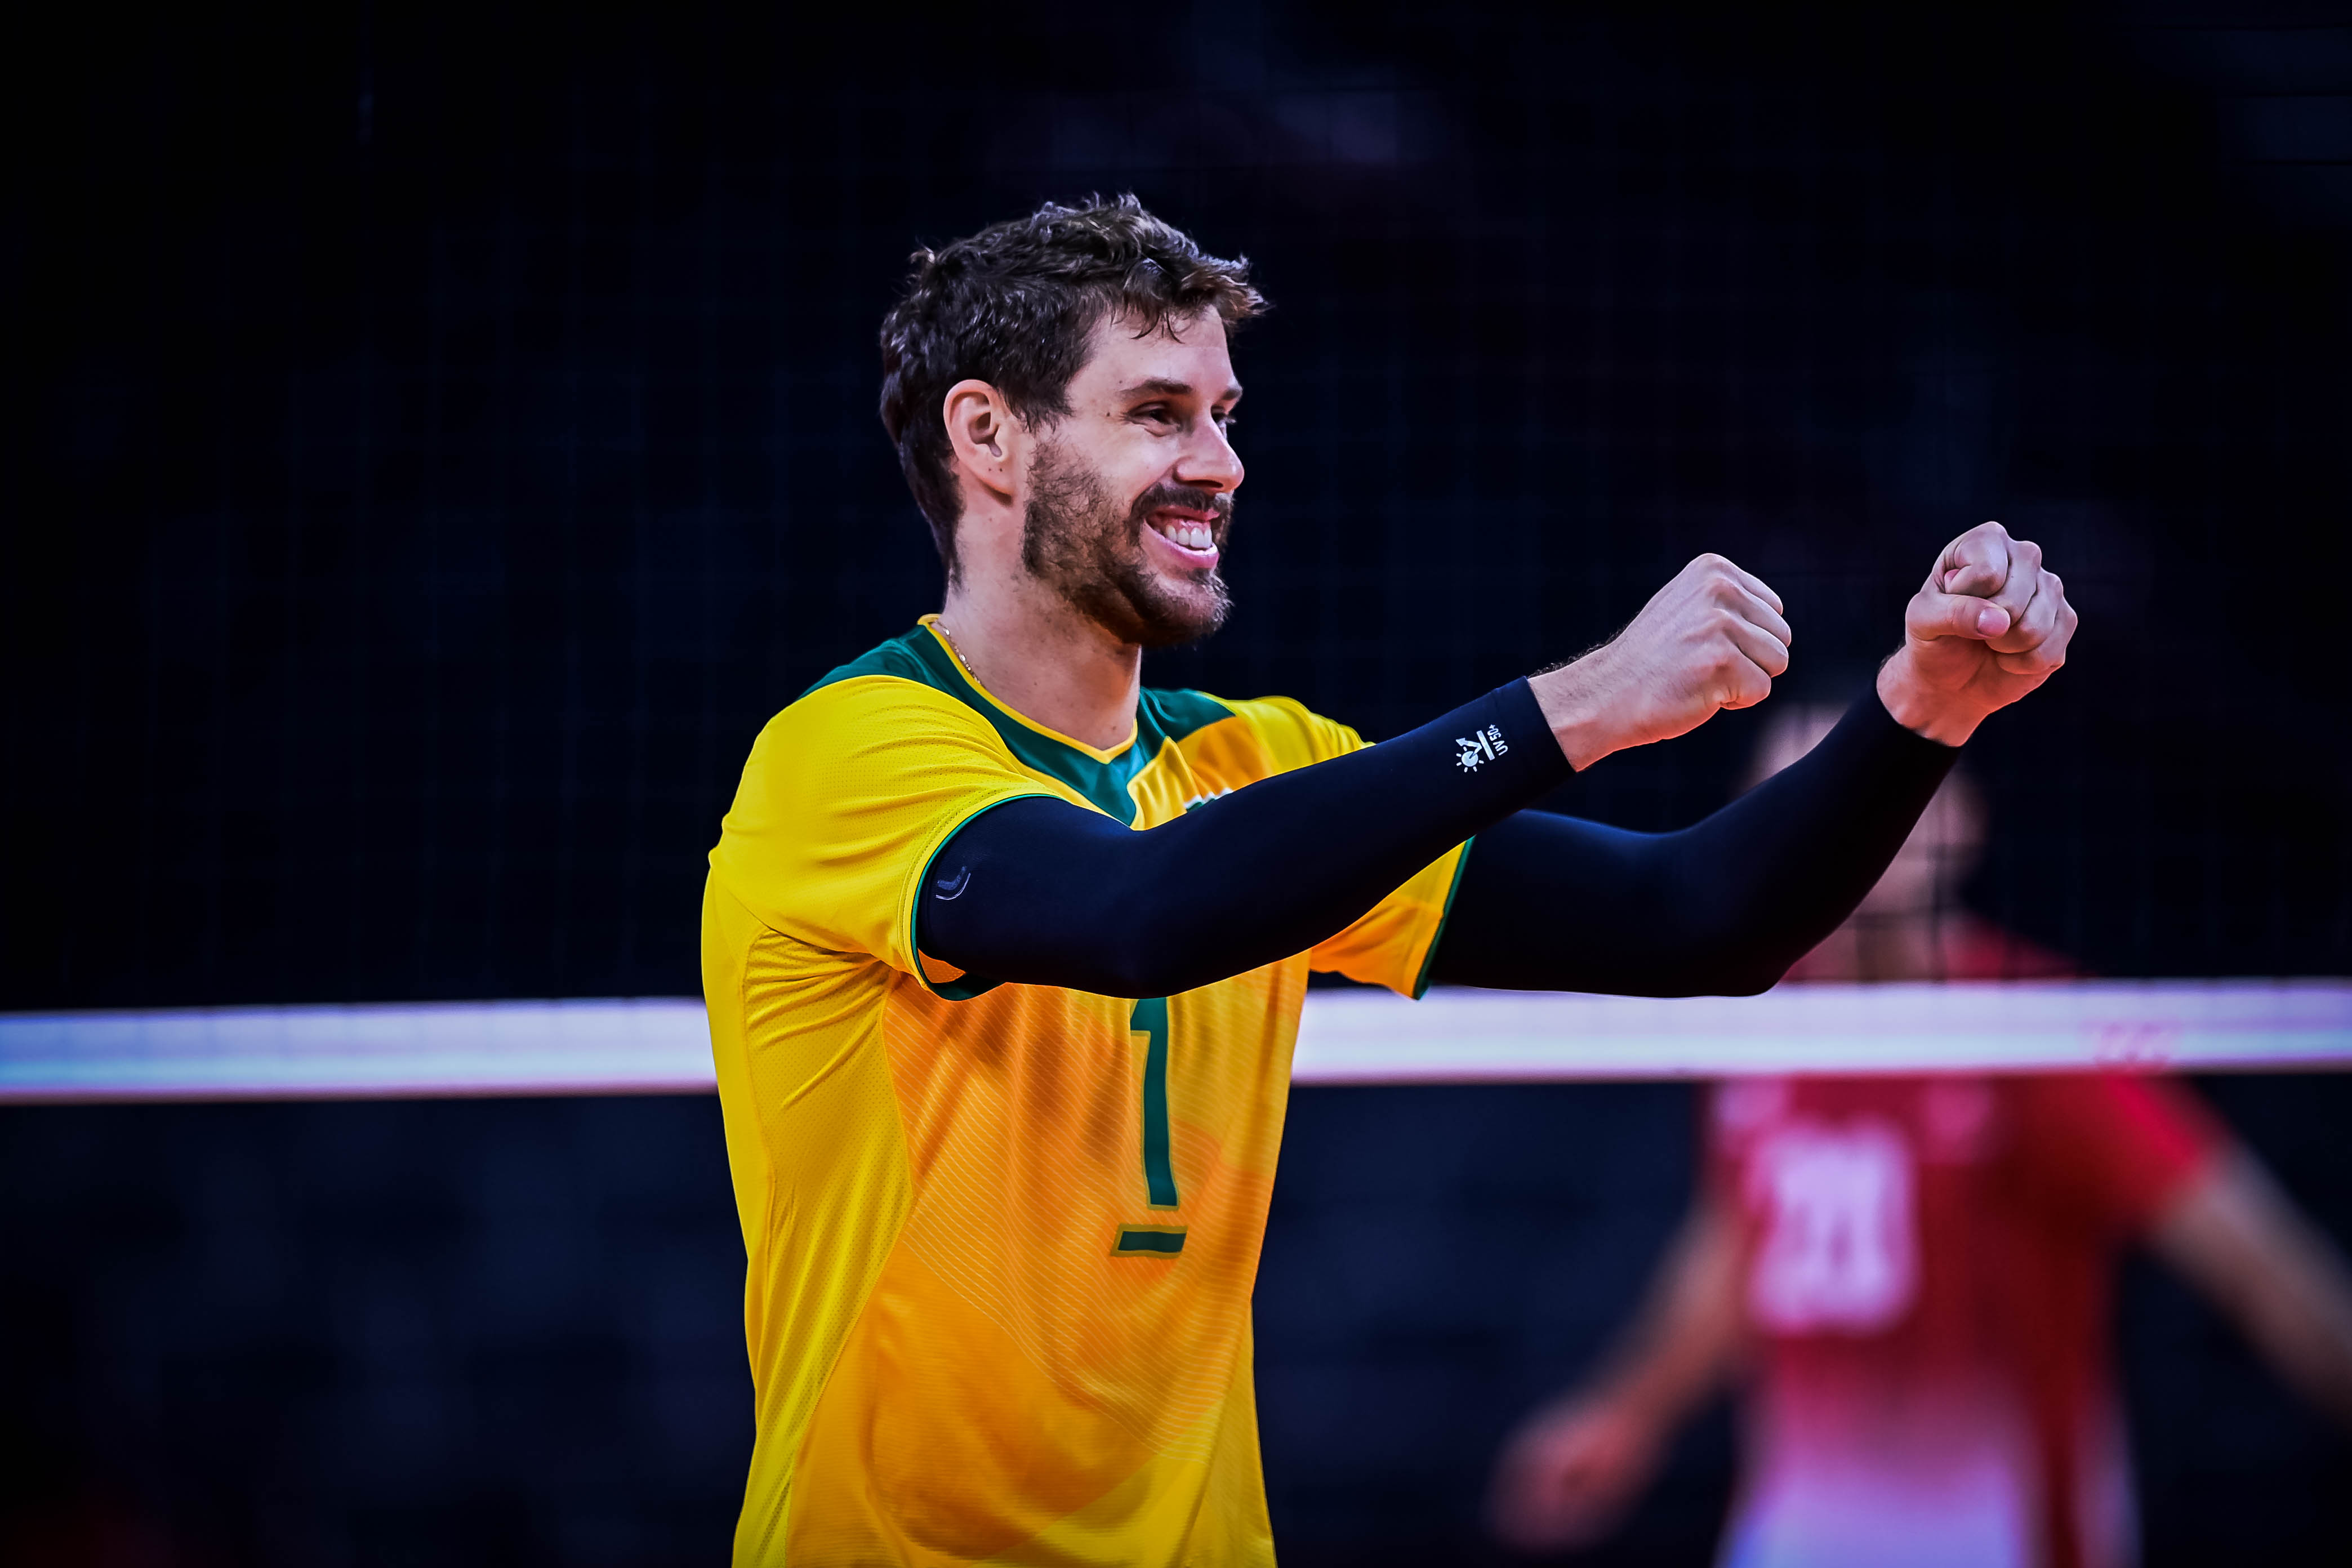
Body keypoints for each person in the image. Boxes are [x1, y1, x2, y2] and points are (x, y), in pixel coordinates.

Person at [701, 194, 2079, 1566]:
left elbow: (1701, 920)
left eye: (1226, 415)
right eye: (1159, 413)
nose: (1221, 462)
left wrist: (1922, 709)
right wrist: (1577, 706)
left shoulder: (1252, 770)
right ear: (989, 435)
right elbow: (1141, 912)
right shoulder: (848, 753)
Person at [1486, 709, 2352, 1568]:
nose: (1839, 825)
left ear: (1961, 818)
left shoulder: (2036, 1035)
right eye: (1800, 800)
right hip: (1800, 1531)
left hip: (2004, 1535)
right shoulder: (1755, 1024)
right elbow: (1743, 1238)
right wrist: (1630, 1410)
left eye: (1874, 788)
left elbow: (2260, 1265)